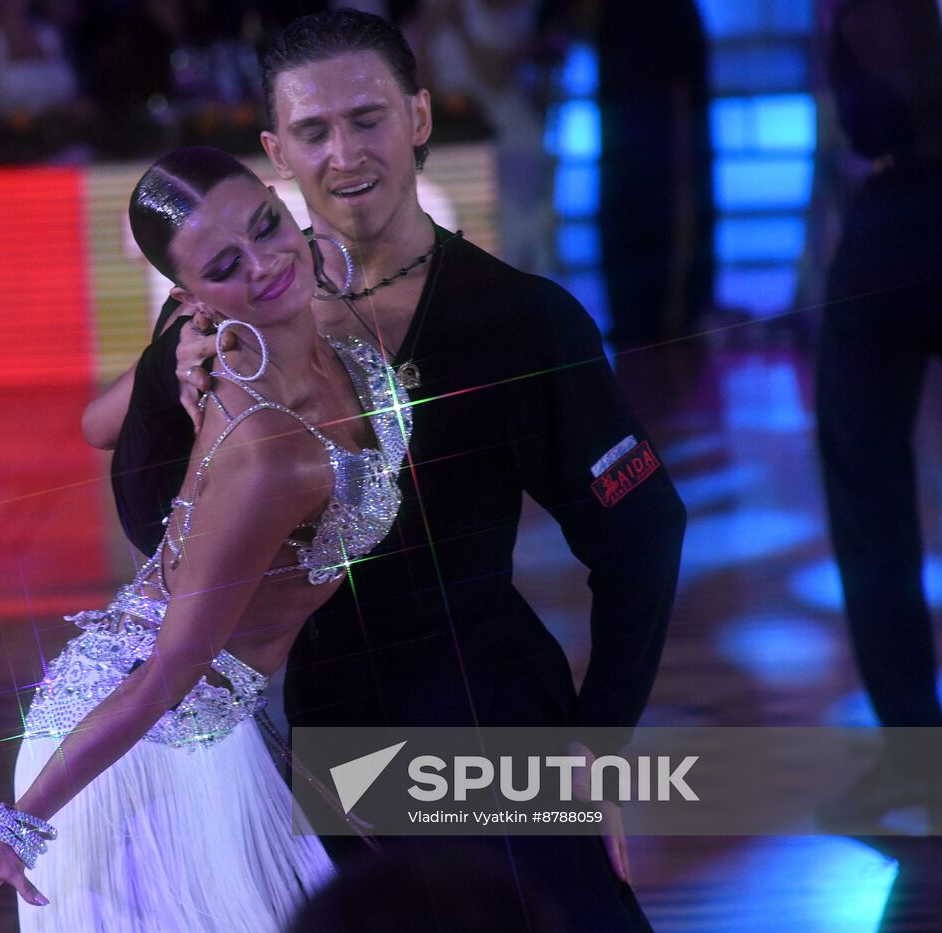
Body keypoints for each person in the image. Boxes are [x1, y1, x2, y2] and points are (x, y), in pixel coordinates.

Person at [93, 9, 686, 929]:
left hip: (490, 724)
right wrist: (171, 400)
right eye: (313, 131)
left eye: (367, 118)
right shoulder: (223, 312)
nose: (344, 154)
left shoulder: (520, 320)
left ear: (417, 117)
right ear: (275, 150)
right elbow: (149, 522)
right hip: (330, 744)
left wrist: (597, 740)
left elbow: (644, 531)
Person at [0, 147, 413, 930]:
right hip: (148, 740)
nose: (266, 264)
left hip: (209, 712)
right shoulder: (268, 451)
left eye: (267, 227)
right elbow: (171, 666)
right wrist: (16, 831)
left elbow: (97, 422)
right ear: (190, 292)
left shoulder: (321, 326)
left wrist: (171, 363)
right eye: (226, 264)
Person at [815, 0, 942, 826]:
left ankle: (914, 758)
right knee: (866, 489)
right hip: (896, 211)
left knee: (868, 495)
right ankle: (912, 759)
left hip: (899, 209)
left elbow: (879, 92)